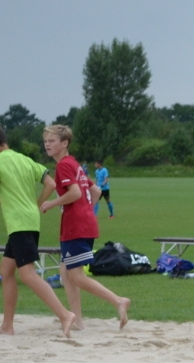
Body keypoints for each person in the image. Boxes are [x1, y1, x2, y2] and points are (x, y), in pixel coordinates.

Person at [0, 123, 76, 337]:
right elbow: (50, 184)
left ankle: (64, 315)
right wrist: (36, 204)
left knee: (28, 274)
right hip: (30, 221)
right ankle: (7, 325)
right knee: (6, 270)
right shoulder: (24, 159)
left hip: (19, 223)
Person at [39, 125, 130, 330]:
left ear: (65, 143)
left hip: (76, 226)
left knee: (75, 276)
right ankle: (77, 320)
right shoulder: (74, 164)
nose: (47, 144)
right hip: (82, 224)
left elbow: (75, 193)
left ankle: (118, 301)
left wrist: (51, 204)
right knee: (65, 272)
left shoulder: (64, 165)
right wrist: (86, 212)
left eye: (52, 141)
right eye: (45, 141)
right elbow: (95, 191)